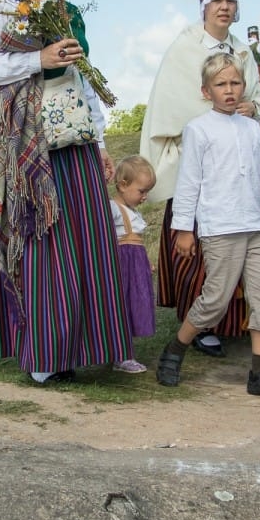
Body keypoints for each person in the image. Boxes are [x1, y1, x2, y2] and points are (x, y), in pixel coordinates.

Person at [0, 0, 131, 384]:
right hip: (30, 140)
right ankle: (46, 356)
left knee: (86, 239)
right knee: (45, 236)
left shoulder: (65, 7)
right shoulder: (7, 1)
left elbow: (80, 76)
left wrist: (98, 139)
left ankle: (88, 344)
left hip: (72, 135)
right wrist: (37, 58)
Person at [140, 0, 260, 359]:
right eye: (216, 0)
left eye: (231, 0)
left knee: (238, 240)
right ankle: (198, 324)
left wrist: (250, 107)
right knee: (196, 246)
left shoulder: (243, 50)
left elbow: (259, 98)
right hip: (198, 160)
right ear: (204, 6)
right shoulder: (186, 46)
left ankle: (233, 321)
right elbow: (177, 99)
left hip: (236, 162)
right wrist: (218, 108)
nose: (224, 7)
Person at [156, 53, 260, 398]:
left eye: (235, 83)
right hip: (220, 229)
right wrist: (184, 229)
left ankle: (259, 374)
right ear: (206, 90)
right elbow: (189, 183)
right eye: (221, 85)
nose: (229, 91)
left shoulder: (251, 129)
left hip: (256, 227)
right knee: (215, 299)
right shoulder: (198, 130)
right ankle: (175, 350)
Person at [109, 155, 158, 374]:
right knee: (122, 305)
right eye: (141, 191)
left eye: (147, 191)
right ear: (123, 185)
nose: (145, 197)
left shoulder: (133, 213)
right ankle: (121, 355)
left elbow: (136, 242)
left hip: (135, 264)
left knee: (134, 305)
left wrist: (145, 262)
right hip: (122, 266)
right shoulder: (113, 209)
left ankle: (125, 352)